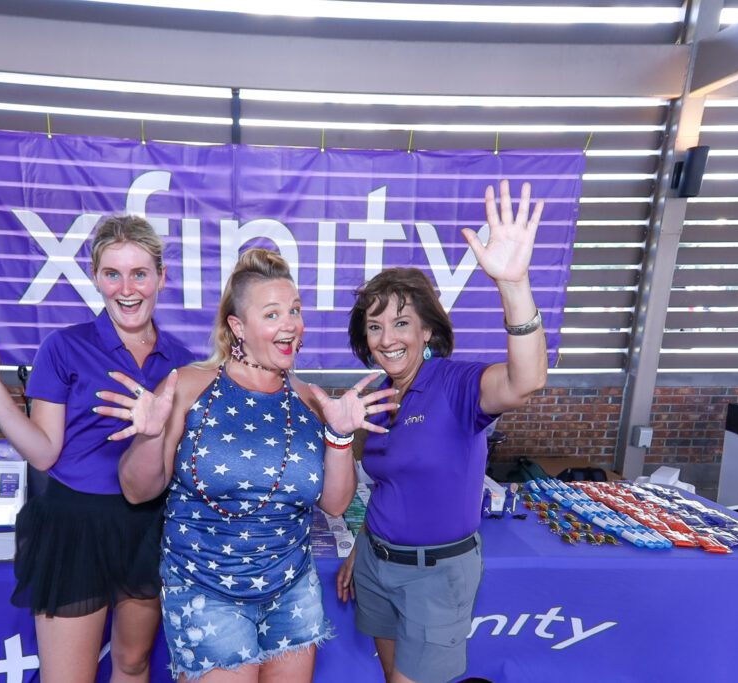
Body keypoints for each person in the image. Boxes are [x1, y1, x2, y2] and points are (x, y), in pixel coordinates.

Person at [95, 248, 398, 682]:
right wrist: (149, 434)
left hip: (293, 590)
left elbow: (335, 504)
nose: (291, 323)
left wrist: (340, 437)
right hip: (206, 590)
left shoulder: (311, 399)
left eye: (295, 310)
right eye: (273, 314)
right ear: (237, 326)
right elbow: (138, 491)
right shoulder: (188, 386)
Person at [0, 215, 194, 683]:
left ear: (161, 278)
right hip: (73, 527)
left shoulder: (180, 361)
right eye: (113, 274)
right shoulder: (64, 347)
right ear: (95, 277)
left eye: (139, 273)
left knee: (133, 664)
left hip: (149, 526)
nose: (126, 288)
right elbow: (44, 452)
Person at [336, 180, 549, 683]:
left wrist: (513, 284)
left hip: (436, 577)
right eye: (375, 326)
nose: (387, 339)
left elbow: (526, 380)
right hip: (375, 565)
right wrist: (361, 548)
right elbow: (391, 485)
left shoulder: (454, 384)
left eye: (401, 323)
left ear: (427, 330)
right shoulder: (378, 397)